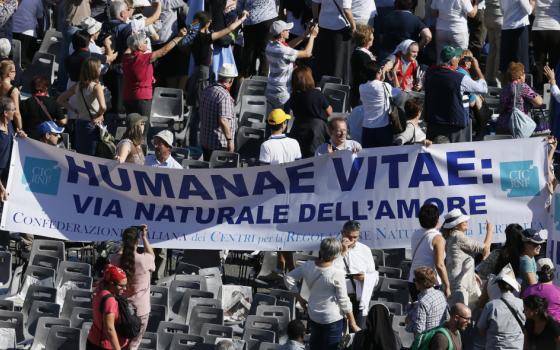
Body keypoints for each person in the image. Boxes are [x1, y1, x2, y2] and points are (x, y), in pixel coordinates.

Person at [285, 237, 360, 350]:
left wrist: (299, 298)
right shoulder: (337, 273)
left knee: (315, 346)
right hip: (332, 318)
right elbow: (343, 300)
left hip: (314, 314)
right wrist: (353, 323)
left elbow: (288, 278)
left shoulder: (308, 265)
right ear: (336, 255)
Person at [424, 46, 487, 143]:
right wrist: (477, 69)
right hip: (455, 127)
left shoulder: (429, 74)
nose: (459, 59)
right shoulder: (461, 78)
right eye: (457, 57)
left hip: (434, 124)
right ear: (453, 61)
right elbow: (483, 89)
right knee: (459, 156)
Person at [122, 28, 187, 116]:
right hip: (142, 98)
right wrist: (178, 37)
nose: (147, 43)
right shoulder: (145, 58)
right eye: (145, 42)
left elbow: (129, 47)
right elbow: (164, 51)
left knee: (131, 125)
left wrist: (133, 37)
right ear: (139, 47)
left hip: (128, 97)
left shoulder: (126, 58)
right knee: (143, 127)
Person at [110, 225, 155, 350]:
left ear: (124, 242)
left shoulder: (115, 259)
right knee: (133, 345)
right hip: (140, 310)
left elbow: (118, 255)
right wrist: (145, 237)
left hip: (119, 309)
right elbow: (152, 255)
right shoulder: (144, 260)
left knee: (118, 343)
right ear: (137, 241)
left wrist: (125, 245)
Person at [265, 20, 318, 114]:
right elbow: (307, 53)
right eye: (287, 30)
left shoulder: (270, 46)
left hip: (270, 90)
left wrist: (304, 36)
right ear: (282, 33)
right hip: (282, 93)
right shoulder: (282, 51)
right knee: (281, 124)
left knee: (271, 121)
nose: (289, 31)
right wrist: (312, 36)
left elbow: (288, 46)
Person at [442, 209, 493, 307]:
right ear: (456, 225)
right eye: (462, 220)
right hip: (460, 285)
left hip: (458, 283)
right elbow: (485, 248)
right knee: (465, 315)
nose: (466, 221)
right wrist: (490, 230)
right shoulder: (458, 236)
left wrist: (471, 272)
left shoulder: (450, 237)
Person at [57, 57, 106, 156]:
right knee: (92, 156)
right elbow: (103, 107)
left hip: (79, 123)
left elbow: (60, 100)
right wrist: (99, 115)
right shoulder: (96, 87)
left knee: (81, 156)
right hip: (92, 124)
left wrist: (74, 110)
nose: (101, 68)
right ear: (94, 70)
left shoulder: (78, 86)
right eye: (99, 67)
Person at [333, 220, 377, 327]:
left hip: (360, 298)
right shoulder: (333, 248)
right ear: (342, 233)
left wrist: (365, 277)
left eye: (355, 237)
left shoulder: (365, 250)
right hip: (339, 298)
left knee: (359, 333)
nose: (352, 240)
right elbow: (329, 271)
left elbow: (374, 276)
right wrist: (343, 251)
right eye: (349, 236)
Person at [477, 264, 525, 350]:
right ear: (513, 287)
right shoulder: (521, 304)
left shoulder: (491, 305)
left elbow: (481, 330)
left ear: (498, 286)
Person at [408, 203, 450, 301]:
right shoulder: (438, 238)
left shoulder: (416, 234)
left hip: (414, 280)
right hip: (430, 283)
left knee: (418, 313)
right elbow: (439, 265)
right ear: (436, 219)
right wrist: (447, 285)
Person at [288, 65, 331, 158]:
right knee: (315, 156)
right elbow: (329, 111)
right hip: (316, 130)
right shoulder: (317, 94)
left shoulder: (293, 96)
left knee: (299, 155)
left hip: (298, 127)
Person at [312, 0, 356, 84]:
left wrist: (316, 19)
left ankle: (320, 83)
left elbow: (314, 3)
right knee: (338, 62)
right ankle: (337, 85)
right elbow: (346, 9)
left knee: (323, 58)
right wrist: (354, 27)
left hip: (323, 24)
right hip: (339, 27)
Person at [199, 63, 237, 161]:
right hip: (219, 145)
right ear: (231, 80)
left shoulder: (207, 90)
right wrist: (230, 141)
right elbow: (223, 120)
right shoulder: (224, 96)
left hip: (205, 141)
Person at [87, 264, 130, 350]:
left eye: (125, 285)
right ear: (111, 283)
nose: (124, 289)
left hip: (93, 340)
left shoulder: (99, 290)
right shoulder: (110, 300)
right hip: (106, 345)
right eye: (121, 285)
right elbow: (109, 329)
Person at [360, 62, 401, 148]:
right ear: (378, 73)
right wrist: (393, 72)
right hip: (383, 128)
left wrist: (380, 77)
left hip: (367, 127)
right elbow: (398, 91)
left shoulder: (361, 87)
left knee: (368, 157)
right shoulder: (384, 86)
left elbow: (374, 86)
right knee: (385, 155)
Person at [496, 62, 543, 135]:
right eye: (523, 73)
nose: (525, 75)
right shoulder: (521, 86)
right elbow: (539, 102)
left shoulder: (505, 87)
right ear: (520, 76)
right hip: (517, 125)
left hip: (502, 125)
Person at [237, 0, 278, 78]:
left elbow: (239, 6)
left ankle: (248, 77)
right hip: (266, 18)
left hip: (252, 20)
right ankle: (262, 79)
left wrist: (241, 13)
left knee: (250, 52)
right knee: (264, 51)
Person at [20, 75, 67, 140]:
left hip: (30, 138)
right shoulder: (53, 102)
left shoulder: (24, 103)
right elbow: (63, 121)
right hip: (47, 138)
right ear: (46, 88)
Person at [406, 267, 449, 336]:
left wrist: (410, 321)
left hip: (427, 340)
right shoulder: (440, 294)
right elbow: (447, 317)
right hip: (439, 335)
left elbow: (419, 331)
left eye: (415, 280)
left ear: (421, 283)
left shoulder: (422, 302)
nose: (414, 282)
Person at [0, 97, 25, 201]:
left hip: (8, 172)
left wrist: (19, 135)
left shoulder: (10, 124)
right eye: (13, 109)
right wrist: (1, 187)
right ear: (6, 113)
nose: (15, 112)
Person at [499, 0, 534, 74]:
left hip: (506, 27)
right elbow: (528, 10)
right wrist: (532, 3)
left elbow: (502, 9)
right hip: (519, 27)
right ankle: (520, 84)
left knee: (507, 62)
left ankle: (507, 84)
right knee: (520, 61)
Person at [522, 258, 560, 322]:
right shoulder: (558, 291)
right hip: (556, 328)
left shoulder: (528, 290)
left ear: (538, 274)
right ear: (552, 272)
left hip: (535, 328)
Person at [350, 24, 376, 107]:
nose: (373, 37)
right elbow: (372, 70)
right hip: (361, 93)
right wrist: (384, 66)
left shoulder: (362, 53)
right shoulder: (361, 54)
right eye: (372, 35)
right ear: (367, 39)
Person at [11, 0, 43, 67]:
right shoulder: (37, 1)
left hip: (13, 32)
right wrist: (41, 33)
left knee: (12, 62)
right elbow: (40, 17)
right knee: (27, 63)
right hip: (29, 35)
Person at [483, 0, 502, 87]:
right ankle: (496, 78)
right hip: (499, 16)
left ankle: (488, 77)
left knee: (492, 49)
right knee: (499, 50)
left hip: (488, 15)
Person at [0, 60, 22, 131]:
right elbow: (16, 113)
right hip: (7, 124)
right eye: (14, 71)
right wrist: (20, 129)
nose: (15, 73)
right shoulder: (13, 90)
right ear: (9, 73)